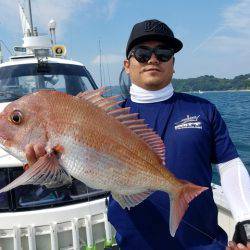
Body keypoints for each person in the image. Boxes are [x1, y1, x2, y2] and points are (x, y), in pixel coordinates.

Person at [25, 19, 250, 249]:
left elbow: (230, 165)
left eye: (163, 53)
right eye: (142, 53)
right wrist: (50, 175)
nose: (153, 59)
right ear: (126, 64)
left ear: (173, 63)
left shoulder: (203, 110)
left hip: (205, 245)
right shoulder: (105, 116)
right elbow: (76, 174)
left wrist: (246, 221)